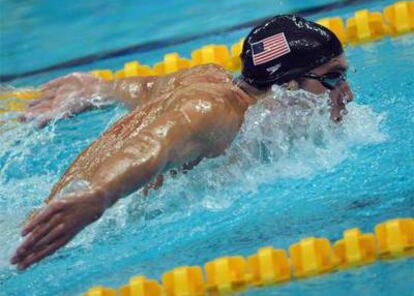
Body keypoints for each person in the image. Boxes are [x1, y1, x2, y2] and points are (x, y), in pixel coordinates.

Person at [11, 15, 353, 270]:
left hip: (41, 218)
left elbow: (144, 88)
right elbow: (148, 147)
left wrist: (95, 89)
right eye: (332, 78)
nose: (347, 93)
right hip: (57, 231)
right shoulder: (213, 112)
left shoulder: (207, 76)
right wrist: (98, 195)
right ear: (286, 86)